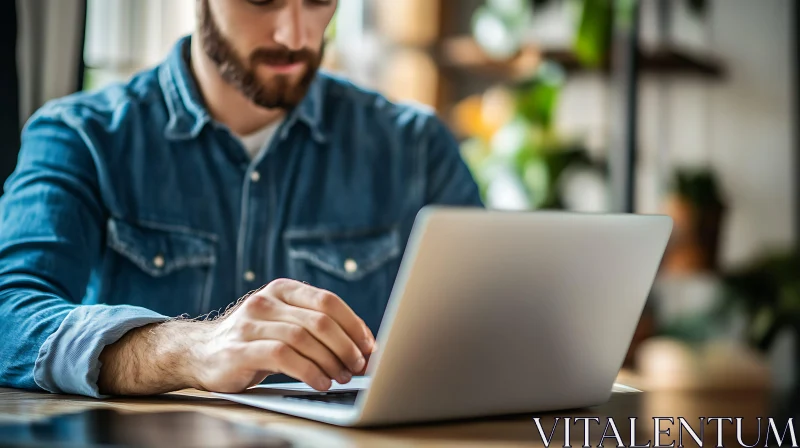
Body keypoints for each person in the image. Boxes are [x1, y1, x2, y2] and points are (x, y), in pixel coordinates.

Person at [0, 0, 482, 398]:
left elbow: (496, 328)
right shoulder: (81, 136)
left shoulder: (417, 148)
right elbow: (9, 315)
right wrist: (189, 349)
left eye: (318, 2)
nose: (295, 35)